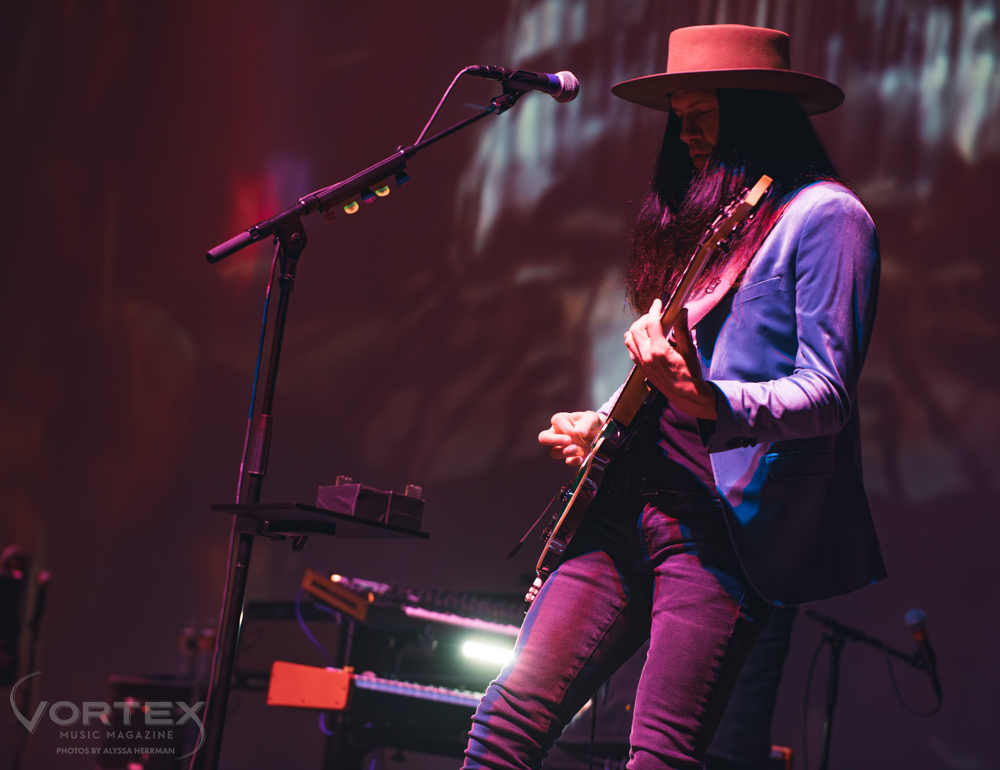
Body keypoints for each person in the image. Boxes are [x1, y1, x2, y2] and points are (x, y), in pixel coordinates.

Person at [462, 23, 885, 770]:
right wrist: (607, 423)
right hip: (627, 503)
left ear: (755, 112)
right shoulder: (719, 224)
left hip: (719, 532)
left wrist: (709, 402)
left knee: (659, 755)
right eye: (678, 118)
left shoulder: (828, 218)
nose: (686, 135)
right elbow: (684, 377)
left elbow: (827, 393)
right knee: (504, 721)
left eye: (702, 115)